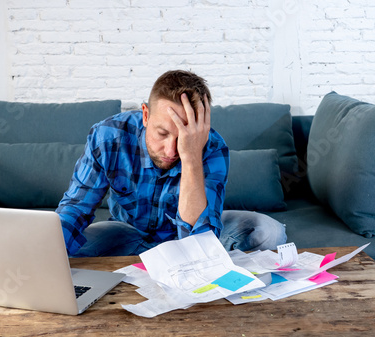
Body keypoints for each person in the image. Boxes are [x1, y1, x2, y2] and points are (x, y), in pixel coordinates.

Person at [56, 70, 286, 257]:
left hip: (186, 236)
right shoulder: (107, 136)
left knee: (269, 232)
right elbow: (76, 207)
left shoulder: (212, 147)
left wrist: (192, 155)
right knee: (68, 247)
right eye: (162, 133)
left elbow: (198, 240)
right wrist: (48, 254)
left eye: (183, 137)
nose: (170, 150)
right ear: (145, 115)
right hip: (128, 232)